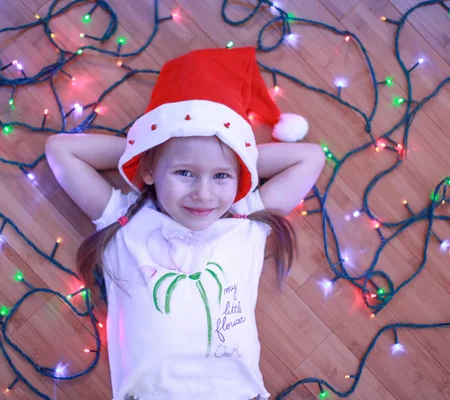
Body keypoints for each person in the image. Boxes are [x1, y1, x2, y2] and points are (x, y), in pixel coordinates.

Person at [45, 47, 325, 400]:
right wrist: (152, 151)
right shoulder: (126, 220)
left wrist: (233, 154)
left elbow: (310, 158)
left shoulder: (246, 222)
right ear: (149, 171)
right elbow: (60, 150)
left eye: (221, 176)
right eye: (184, 173)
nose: (203, 193)